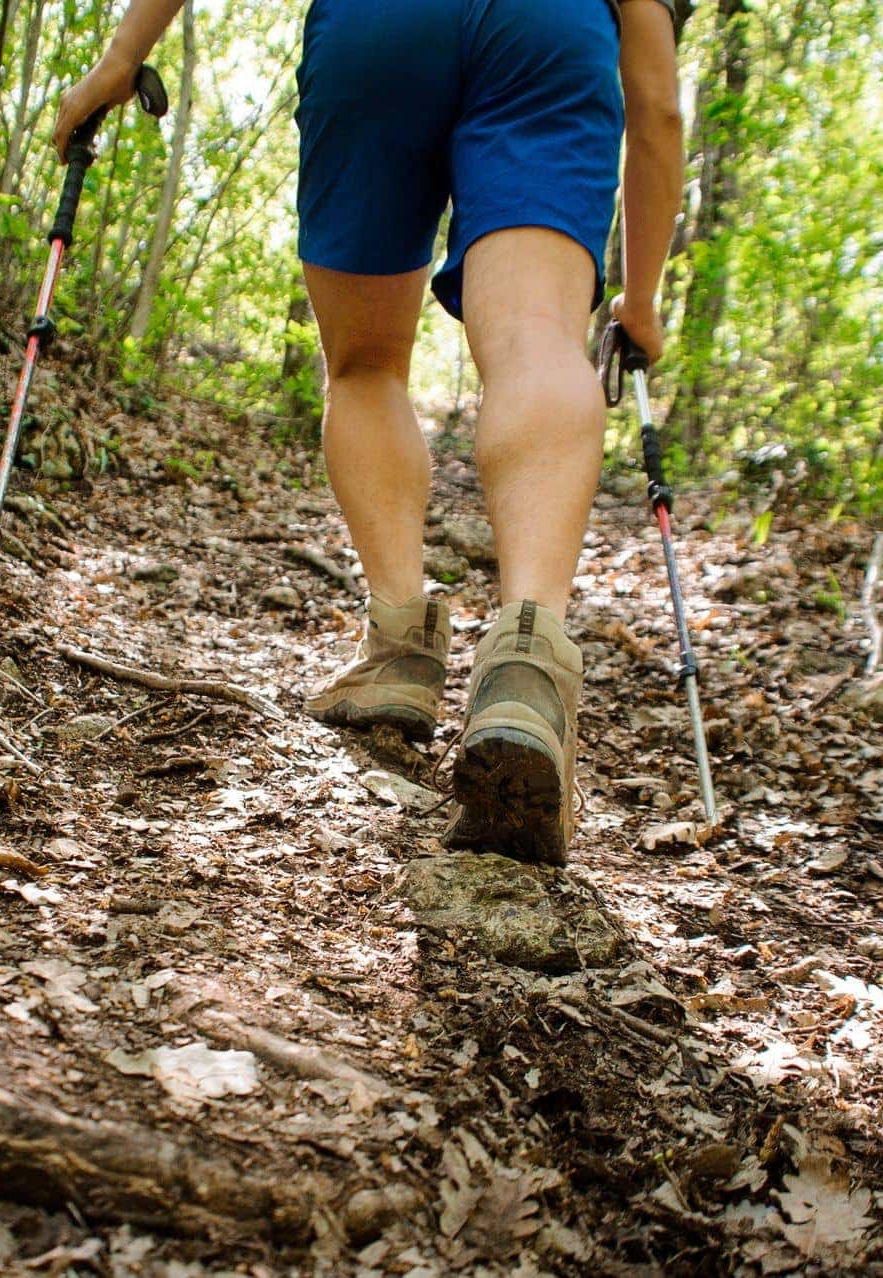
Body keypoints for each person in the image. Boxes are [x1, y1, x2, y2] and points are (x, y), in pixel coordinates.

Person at [56, 0, 684, 864]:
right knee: (537, 335)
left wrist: (125, 54)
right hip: (551, 29)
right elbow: (658, 107)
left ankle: (398, 649)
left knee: (363, 365)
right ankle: (527, 663)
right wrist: (640, 300)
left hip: (380, 22)